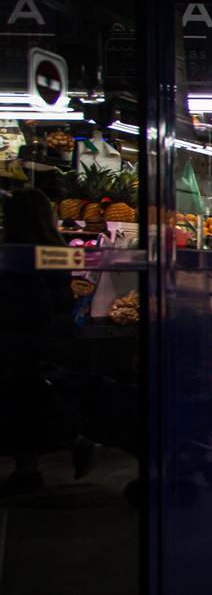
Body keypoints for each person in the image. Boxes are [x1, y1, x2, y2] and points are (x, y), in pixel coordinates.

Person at [0, 188, 98, 494]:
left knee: (23, 398)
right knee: (26, 399)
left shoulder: (20, 254)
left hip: (25, 338)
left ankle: (68, 445)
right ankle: (30, 467)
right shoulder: (54, 248)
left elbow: (28, 303)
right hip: (51, 336)